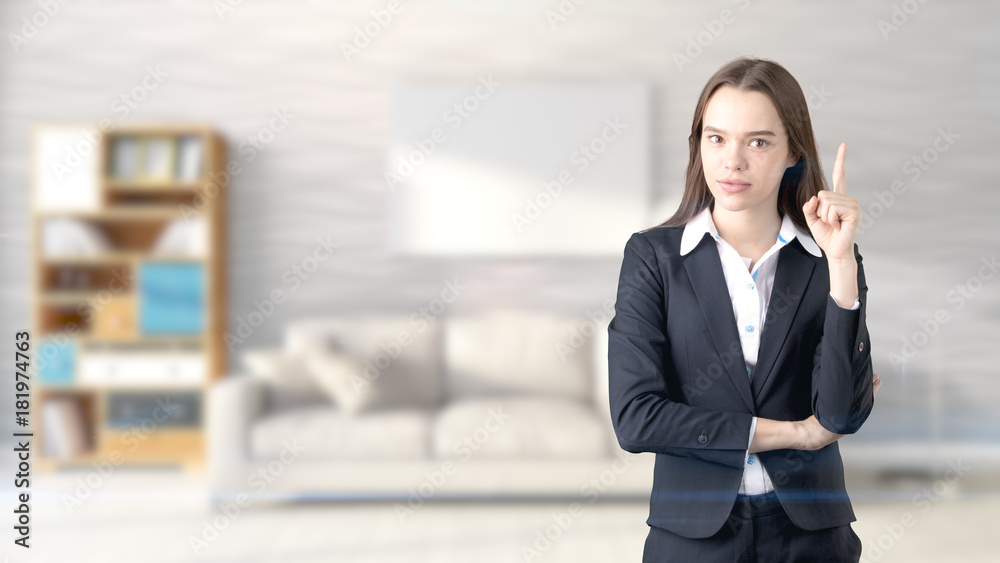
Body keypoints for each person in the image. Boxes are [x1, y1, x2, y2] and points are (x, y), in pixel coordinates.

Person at [607, 56, 882, 562]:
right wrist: (796, 434)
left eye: (758, 141)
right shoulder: (653, 258)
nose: (732, 161)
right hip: (691, 537)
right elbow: (636, 419)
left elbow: (841, 413)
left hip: (812, 538)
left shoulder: (830, 259)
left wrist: (841, 264)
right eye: (716, 139)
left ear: (793, 151)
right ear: (699, 146)